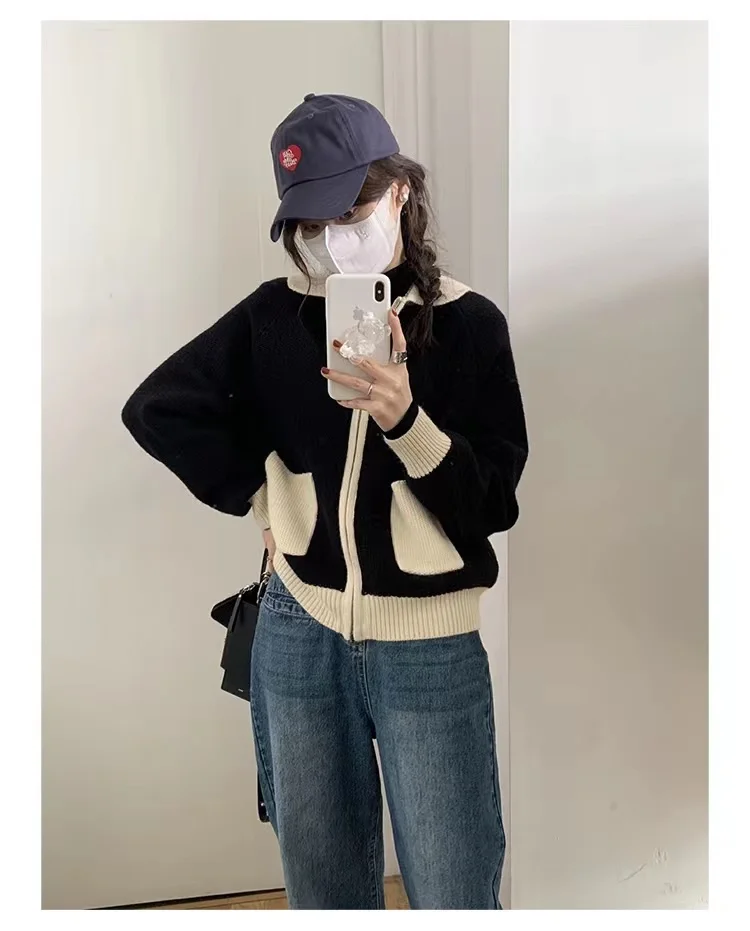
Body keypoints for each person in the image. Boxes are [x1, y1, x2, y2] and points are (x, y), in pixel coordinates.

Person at [122, 93, 528, 910]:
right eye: (313, 222)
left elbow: (490, 506)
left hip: (427, 647)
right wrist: (265, 498)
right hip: (297, 632)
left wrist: (405, 419)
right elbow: (158, 407)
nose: (334, 237)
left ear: (400, 193)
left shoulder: (470, 326)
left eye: (350, 212)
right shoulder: (274, 318)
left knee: (454, 890)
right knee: (325, 893)